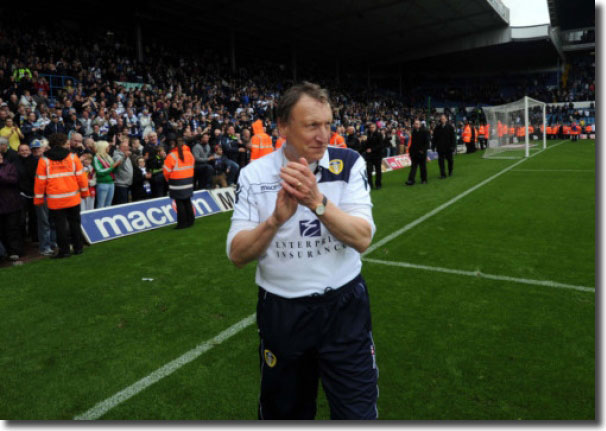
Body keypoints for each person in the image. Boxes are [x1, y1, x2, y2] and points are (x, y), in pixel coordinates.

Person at [226, 82, 378, 420]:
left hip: (344, 308)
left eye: (328, 124)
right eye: (312, 125)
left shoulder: (349, 163)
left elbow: (362, 238)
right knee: (286, 414)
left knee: (357, 413)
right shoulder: (255, 175)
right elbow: (237, 254)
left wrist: (316, 201)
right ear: (282, 126)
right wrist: (276, 220)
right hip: (283, 310)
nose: (323, 135)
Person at [33, 133, 89, 258]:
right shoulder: (73, 158)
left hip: (55, 200)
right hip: (73, 198)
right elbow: (82, 178)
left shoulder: (44, 160)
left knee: (60, 226)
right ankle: (78, 248)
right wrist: (85, 193)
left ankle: (64, 251)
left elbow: (40, 182)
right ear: (64, 143)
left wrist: (38, 200)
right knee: (75, 223)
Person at [163, 136, 195, 229]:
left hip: (176, 181)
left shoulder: (171, 156)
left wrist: (168, 180)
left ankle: (182, 223)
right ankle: (190, 220)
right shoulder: (189, 154)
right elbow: (192, 165)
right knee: (187, 201)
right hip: (188, 180)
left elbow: (166, 171)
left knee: (179, 202)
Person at [0, 150, 24, 261]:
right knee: (2, 229)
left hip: (11, 203)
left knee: (12, 228)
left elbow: (14, 180)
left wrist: (1, 176)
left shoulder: (10, 167)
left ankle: (15, 251)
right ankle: (4, 252)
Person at [93, 140, 122, 208]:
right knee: (101, 205)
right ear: (102, 148)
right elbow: (99, 172)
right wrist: (113, 166)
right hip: (103, 183)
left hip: (111, 182)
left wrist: (117, 166)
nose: (109, 148)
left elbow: (112, 171)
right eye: (107, 147)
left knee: (109, 204)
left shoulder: (108, 157)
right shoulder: (96, 158)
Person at [405, 119, 430, 186]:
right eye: (415, 124)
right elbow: (413, 143)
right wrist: (410, 151)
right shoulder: (414, 132)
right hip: (414, 152)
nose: (415, 125)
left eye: (417, 123)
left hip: (422, 152)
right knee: (413, 167)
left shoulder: (425, 131)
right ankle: (411, 180)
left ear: (420, 124)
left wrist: (423, 150)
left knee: (423, 167)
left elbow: (427, 143)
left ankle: (424, 180)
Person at [431, 114, 456, 178]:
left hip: (448, 147)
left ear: (446, 119)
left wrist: (453, 146)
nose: (442, 120)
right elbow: (434, 138)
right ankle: (443, 174)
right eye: (441, 119)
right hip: (440, 147)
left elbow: (453, 138)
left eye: (443, 119)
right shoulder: (437, 128)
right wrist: (433, 146)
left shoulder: (450, 127)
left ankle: (450, 171)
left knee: (450, 160)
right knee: (441, 162)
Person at [363, 123, 384, 190]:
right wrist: (363, 142)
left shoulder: (379, 134)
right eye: (370, 127)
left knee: (378, 170)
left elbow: (381, 145)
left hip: (377, 155)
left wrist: (372, 149)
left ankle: (378, 184)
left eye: (373, 127)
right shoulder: (368, 135)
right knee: (369, 171)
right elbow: (366, 145)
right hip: (369, 156)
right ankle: (370, 184)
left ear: (375, 128)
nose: (371, 128)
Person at [112, 139, 133, 205]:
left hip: (126, 184)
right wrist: (124, 157)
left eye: (127, 147)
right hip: (120, 184)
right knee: (122, 204)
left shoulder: (125, 154)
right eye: (125, 147)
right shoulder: (117, 155)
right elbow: (119, 164)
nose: (127, 148)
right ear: (120, 147)